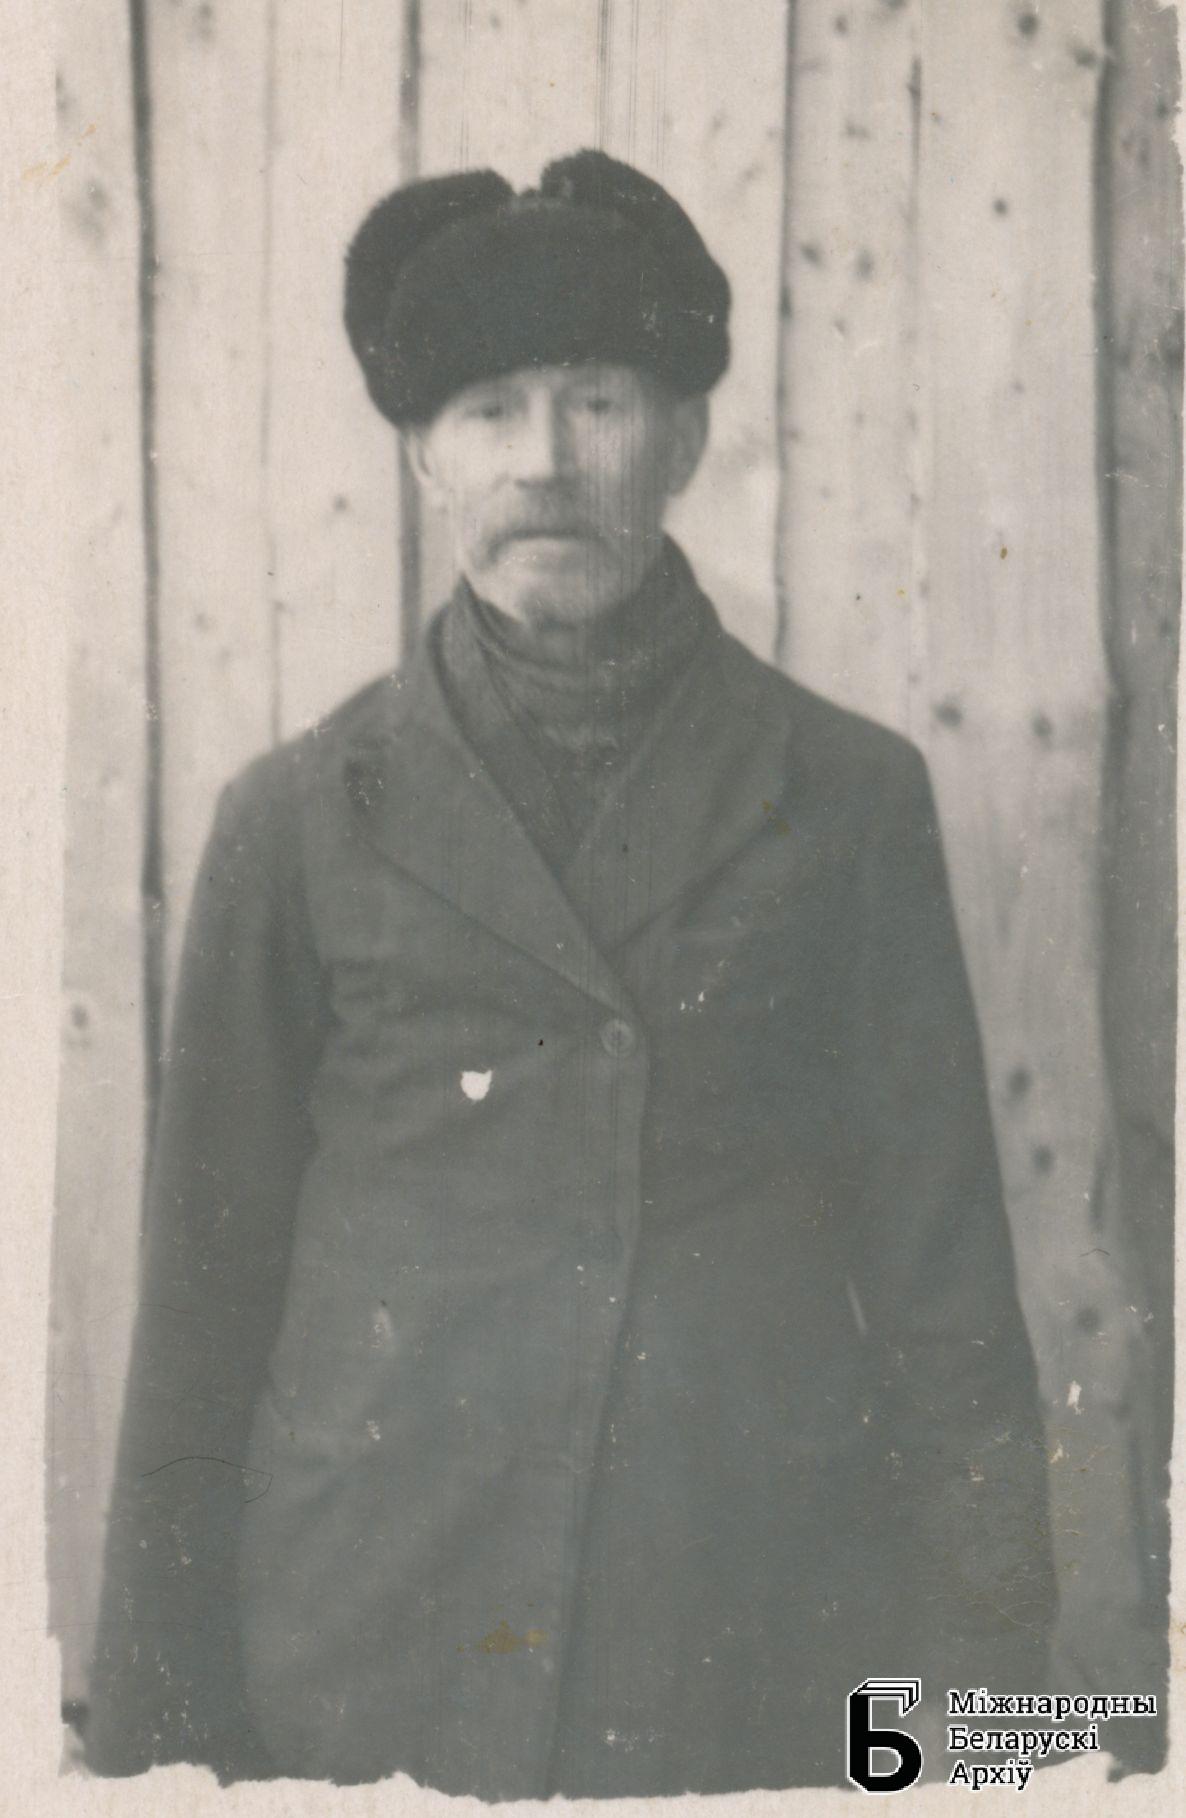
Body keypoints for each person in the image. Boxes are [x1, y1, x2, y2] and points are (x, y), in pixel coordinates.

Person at [84, 150, 1056, 1798]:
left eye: (596, 401)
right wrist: (161, 1756)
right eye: (488, 410)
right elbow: (197, 1320)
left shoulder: (844, 796)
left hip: (743, 1636)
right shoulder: (298, 819)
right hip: (375, 1642)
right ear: (424, 458)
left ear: (680, 440)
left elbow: (947, 1301)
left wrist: (973, 1754)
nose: (543, 459)